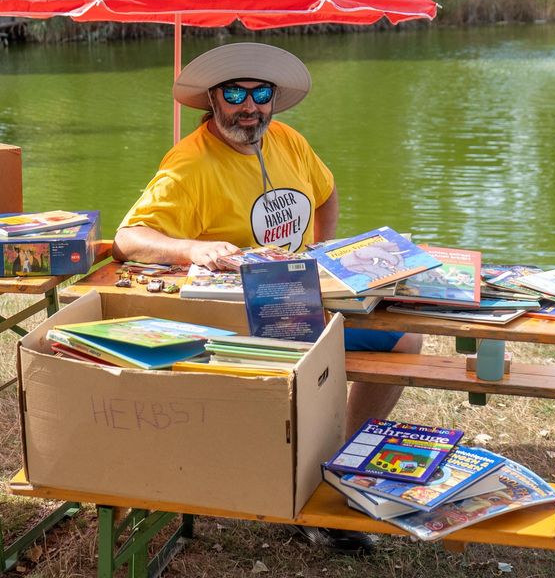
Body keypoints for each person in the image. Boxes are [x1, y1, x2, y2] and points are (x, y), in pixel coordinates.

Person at [114, 41, 422, 554]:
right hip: (242, 317)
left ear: (274, 98)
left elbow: (325, 191)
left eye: (260, 92)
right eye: (235, 92)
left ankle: (339, 466)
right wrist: (194, 249)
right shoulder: (188, 164)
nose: (249, 106)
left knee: (404, 337)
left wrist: (324, 250)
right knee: (309, 364)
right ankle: (306, 494)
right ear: (212, 98)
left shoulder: (287, 140)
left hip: (309, 299)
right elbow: (129, 237)